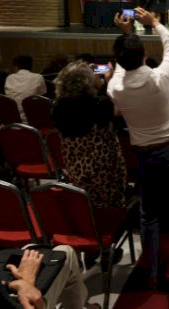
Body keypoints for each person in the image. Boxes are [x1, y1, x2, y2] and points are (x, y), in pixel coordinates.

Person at [108, 8, 169, 292]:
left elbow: (123, 67)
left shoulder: (115, 87)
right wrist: (154, 23)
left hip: (144, 154)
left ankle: (154, 271)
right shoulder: (160, 79)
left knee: (150, 214)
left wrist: (127, 34)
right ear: (144, 56)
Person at [0, 217, 100, 309]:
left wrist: (11, 284)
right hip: (16, 308)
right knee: (65, 252)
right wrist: (27, 281)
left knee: (29, 249)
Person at [52, 61, 127, 211]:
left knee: (87, 202)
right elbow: (118, 110)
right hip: (106, 175)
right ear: (87, 83)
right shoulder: (100, 105)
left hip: (75, 172)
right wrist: (109, 82)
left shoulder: (57, 107)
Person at [4, 56, 47, 123]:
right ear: (31, 65)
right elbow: (43, 96)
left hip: (12, 119)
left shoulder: (9, 78)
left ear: (16, 66)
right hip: (33, 119)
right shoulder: (38, 77)